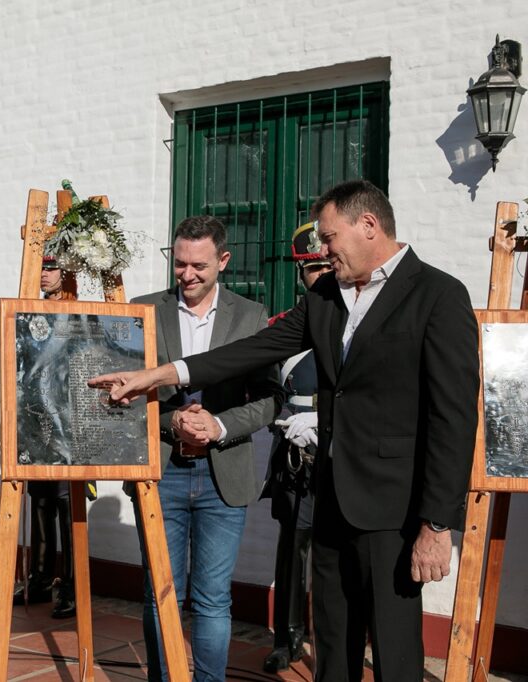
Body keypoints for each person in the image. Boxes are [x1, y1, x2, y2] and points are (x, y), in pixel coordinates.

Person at [90, 180, 480, 681]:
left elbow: (453, 418)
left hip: (394, 509)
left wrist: (436, 524)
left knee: (393, 647)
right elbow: (251, 351)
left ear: (368, 226)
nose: (323, 249)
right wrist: (158, 375)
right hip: (332, 496)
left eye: (328, 237)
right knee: (332, 640)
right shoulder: (326, 294)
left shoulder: (438, 294)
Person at [130, 216, 281, 682]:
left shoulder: (251, 316)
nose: (188, 275)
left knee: (213, 597)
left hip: (224, 475)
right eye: (179, 265)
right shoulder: (142, 311)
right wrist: (169, 420)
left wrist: (218, 425)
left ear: (223, 260)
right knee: (164, 594)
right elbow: (120, 398)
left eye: (199, 265)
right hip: (162, 472)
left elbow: (270, 400)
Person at [259, 222, 332, 672]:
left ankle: (336, 638)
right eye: (311, 268)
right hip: (298, 455)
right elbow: (265, 395)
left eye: (326, 264)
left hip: (346, 453)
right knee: (293, 548)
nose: (320, 275)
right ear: (300, 274)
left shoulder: (360, 325)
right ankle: (288, 638)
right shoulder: (284, 330)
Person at [12, 256, 81, 618]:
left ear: (67, 272)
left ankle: (70, 585)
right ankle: (39, 578)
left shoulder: (77, 313)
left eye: (51, 267)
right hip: (37, 418)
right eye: (41, 267)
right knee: (39, 503)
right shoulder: (29, 312)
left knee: (69, 508)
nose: (44, 274)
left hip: (69, 420)